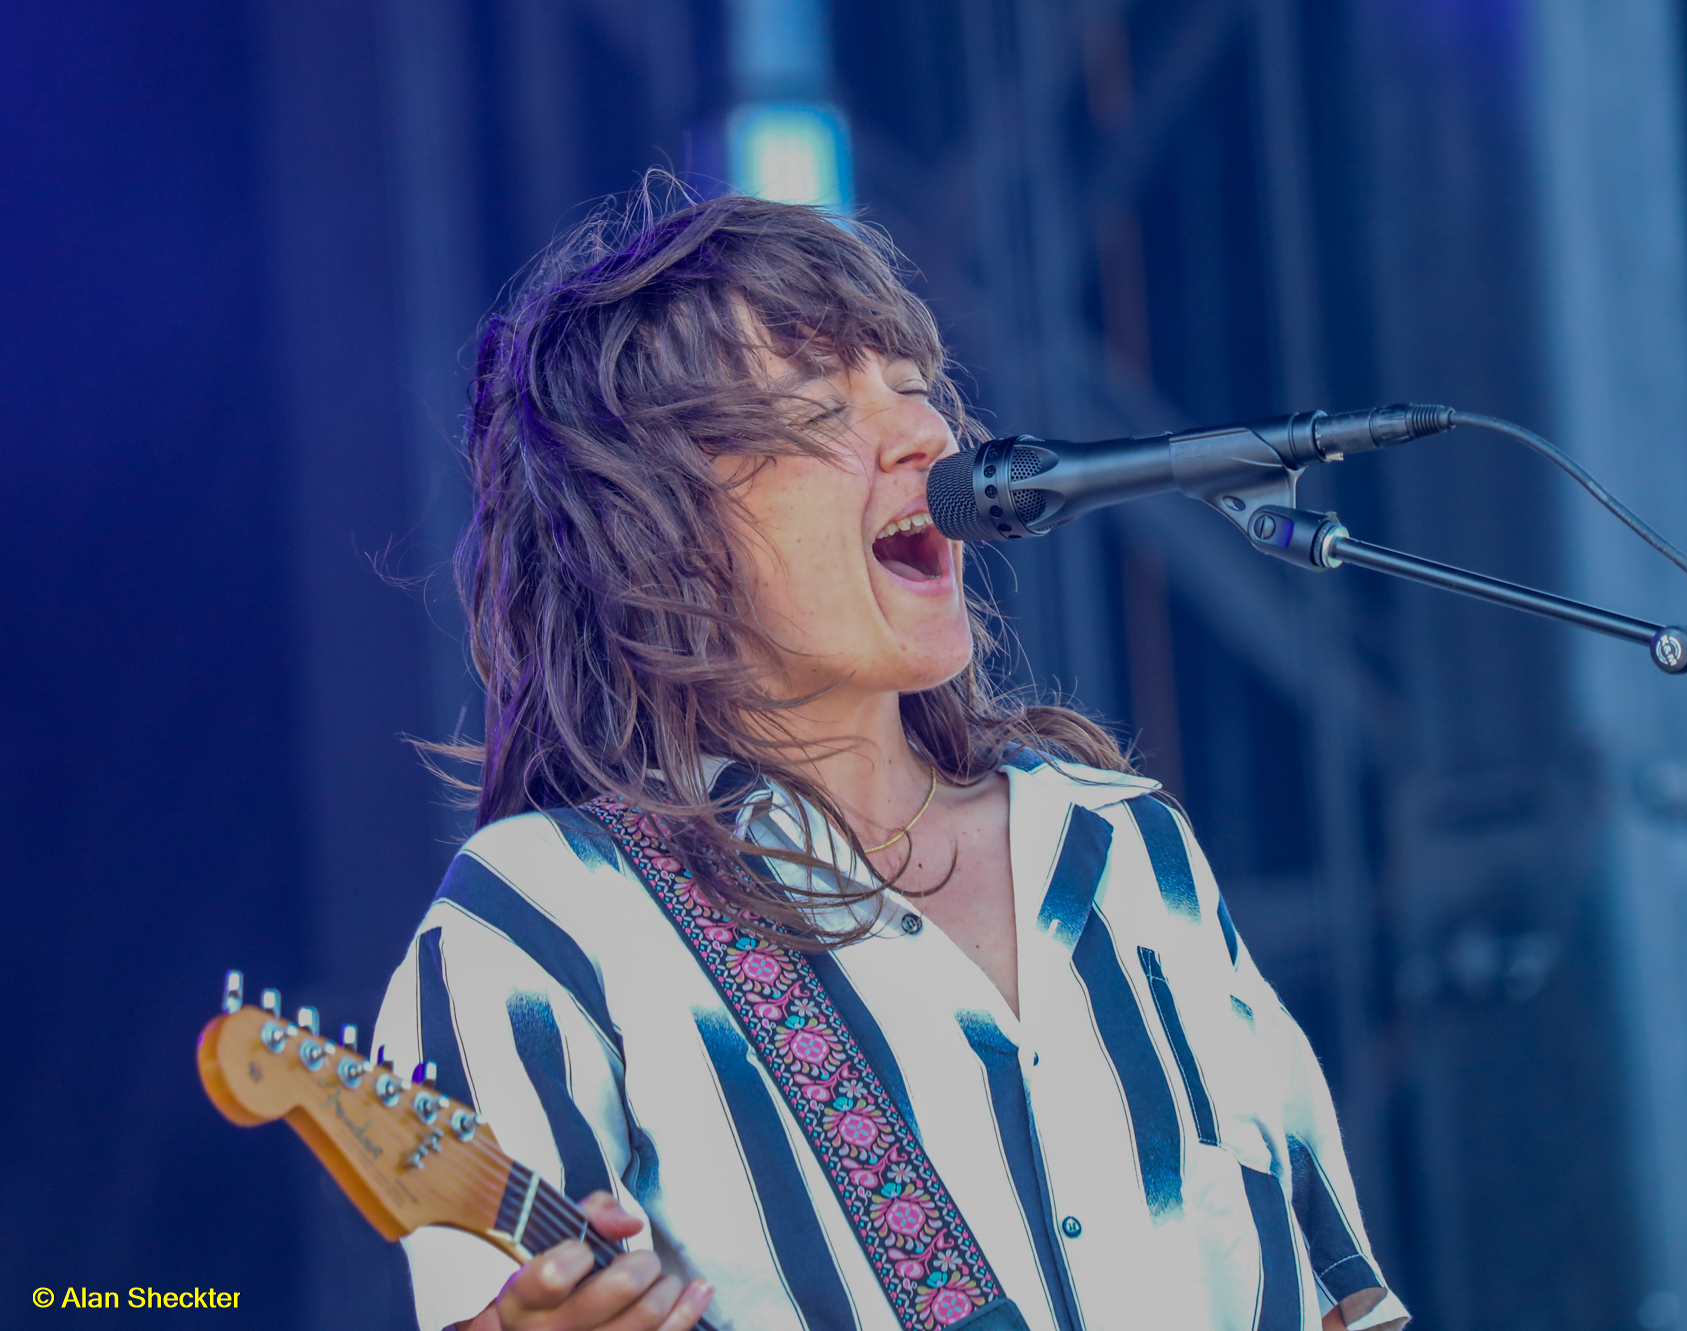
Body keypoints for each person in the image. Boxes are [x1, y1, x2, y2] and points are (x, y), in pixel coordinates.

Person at [373, 183, 1408, 1331]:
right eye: (817, 412)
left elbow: (1337, 1300)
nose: (925, 436)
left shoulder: (1123, 843)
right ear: (653, 528)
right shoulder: (550, 920)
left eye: (914, 392)